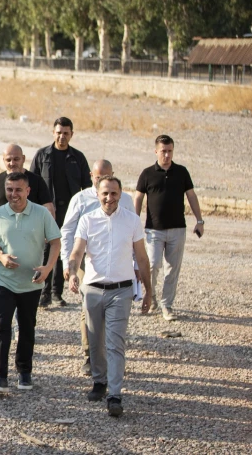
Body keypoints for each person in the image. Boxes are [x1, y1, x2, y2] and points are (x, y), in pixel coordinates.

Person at [67, 176, 152, 418]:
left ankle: (115, 395)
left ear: (120, 194)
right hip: (93, 289)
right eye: (105, 193)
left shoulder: (132, 221)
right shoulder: (87, 220)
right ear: (97, 194)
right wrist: (72, 272)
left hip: (121, 291)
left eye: (114, 193)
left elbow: (142, 257)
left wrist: (148, 290)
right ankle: (99, 381)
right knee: (95, 341)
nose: (109, 198)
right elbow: (77, 252)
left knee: (115, 343)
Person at [0, 172, 61, 393]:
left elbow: (55, 242)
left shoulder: (41, 213)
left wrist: (48, 268)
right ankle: (0, 377)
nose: (13, 194)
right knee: (1, 325)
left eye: (18, 190)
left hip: (31, 281)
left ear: (27, 191)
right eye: (9, 189)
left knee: (26, 327)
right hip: (2, 280)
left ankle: (24, 371)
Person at [60, 159, 135, 376]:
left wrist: (136, 265)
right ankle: (90, 356)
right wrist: (68, 264)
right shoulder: (80, 199)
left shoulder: (125, 200)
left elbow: (133, 232)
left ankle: (112, 357)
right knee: (89, 309)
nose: (102, 180)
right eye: (98, 176)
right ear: (91, 176)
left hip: (117, 263)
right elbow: (68, 231)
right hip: (86, 261)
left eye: (106, 175)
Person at [0, 143, 54, 345]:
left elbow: (48, 208)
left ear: (23, 159)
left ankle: (18, 329)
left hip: (27, 247)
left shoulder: (36, 182)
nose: (12, 163)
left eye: (16, 159)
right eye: (8, 159)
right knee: (0, 291)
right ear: (3, 160)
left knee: (22, 291)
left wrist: (47, 234)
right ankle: (2, 327)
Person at [134, 134, 203, 321]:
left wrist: (200, 220)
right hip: (154, 230)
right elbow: (138, 197)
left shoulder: (181, 172)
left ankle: (167, 305)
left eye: (170, 151)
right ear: (156, 151)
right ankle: (151, 296)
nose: (167, 155)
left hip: (177, 229)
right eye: (163, 151)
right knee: (152, 265)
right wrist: (134, 221)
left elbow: (191, 196)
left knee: (172, 269)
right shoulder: (147, 173)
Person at [31, 117, 91, 308]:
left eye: (66, 133)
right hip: (46, 212)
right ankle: (44, 292)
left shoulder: (78, 158)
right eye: (59, 133)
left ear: (72, 134)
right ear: (53, 133)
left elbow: (88, 187)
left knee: (63, 251)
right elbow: (31, 184)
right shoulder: (42, 155)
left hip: (70, 214)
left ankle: (57, 293)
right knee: (46, 251)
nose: (62, 136)